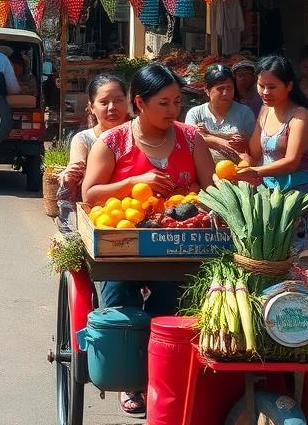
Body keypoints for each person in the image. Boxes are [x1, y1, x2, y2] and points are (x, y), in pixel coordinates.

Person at [82, 64, 215, 418]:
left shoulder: (190, 138)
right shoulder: (112, 142)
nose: (174, 111)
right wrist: (134, 181)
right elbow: (90, 193)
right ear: (140, 103)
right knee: (120, 303)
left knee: (173, 308)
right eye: (164, 103)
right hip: (121, 248)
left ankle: (163, 378)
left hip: (177, 246)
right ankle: (129, 380)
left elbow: (212, 189)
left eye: (177, 102)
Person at [57, 73, 130, 233]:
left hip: (133, 210)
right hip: (98, 214)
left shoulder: (138, 135)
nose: (112, 108)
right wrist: (70, 174)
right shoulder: (84, 139)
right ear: (92, 107)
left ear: (128, 102)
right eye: (104, 102)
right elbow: (76, 165)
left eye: (118, 100)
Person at [237, 55, 308, 195]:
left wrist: (256, 171)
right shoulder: (265, 110)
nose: (265, 92)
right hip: (268, 190)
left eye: (272, 87)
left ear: (289, 86)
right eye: (261, 86)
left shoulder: (300, 115)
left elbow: (291, 162)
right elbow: (255, 153)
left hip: (298, 194)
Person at [184, 64, 255, 162]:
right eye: (220, 89)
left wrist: (207, 136)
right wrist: (220, 140)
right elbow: (189, 141)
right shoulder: (195, 114)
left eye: (229, 88)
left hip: (236, 171)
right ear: (207, 90)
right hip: (204, 172)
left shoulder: (245, 113)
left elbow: (253, 145)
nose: (225, 93)